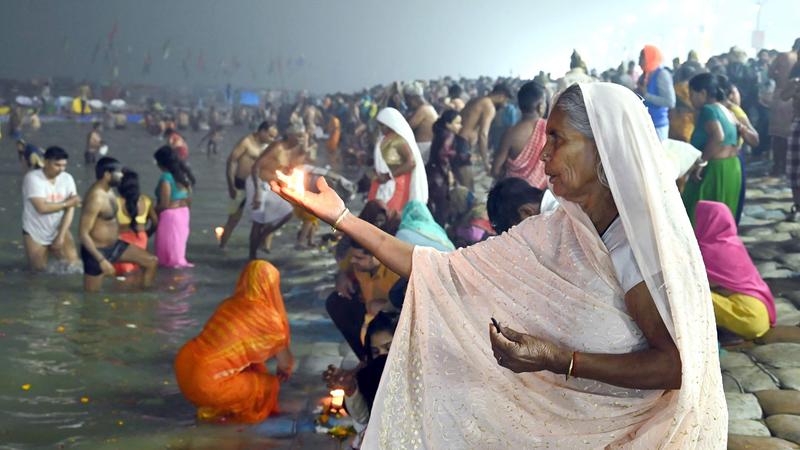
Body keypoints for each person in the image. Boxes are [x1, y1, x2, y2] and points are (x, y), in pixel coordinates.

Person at [272, 82, 725, 447]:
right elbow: (438, 269)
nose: (542, 154)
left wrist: (559, 360)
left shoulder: (635, 247)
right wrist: (341, 217)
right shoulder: (553, 231)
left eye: (558, 139)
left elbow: (676, 367)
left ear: (602, 148)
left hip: (632, 433)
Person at [174, 260, 293, 423]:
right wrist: (284, 370)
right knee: (269, 385)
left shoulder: (229, 304)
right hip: (207, 383)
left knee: (254, 367)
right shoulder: (269, 319)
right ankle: (228, 417)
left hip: (184, 366)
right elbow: (285, 363)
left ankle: (215, 407)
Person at [693, 201, 776, 341]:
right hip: (762, 310)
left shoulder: (707, 250)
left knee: (691, 292)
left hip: (748, 318)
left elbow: (705, 282)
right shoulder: (733, 243)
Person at [79, 157, 158, 292]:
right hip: (97, 252)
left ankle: (141, 297)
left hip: (115, 245)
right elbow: (83, 233)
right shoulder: (96, 197)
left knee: (151, 261)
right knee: (92, 297)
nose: (122, 175)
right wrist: (101, 260)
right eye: (119, 172)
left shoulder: (109, 190)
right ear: (107, 174)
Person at [323, 311, 399, 447]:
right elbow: (364, 418)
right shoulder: (372, 375)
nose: (383, 357)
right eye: (376, 352)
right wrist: (350, 389)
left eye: (389, 348)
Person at [326, 238, 400, 363]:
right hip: (367, 311)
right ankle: (365, 359)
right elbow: (344, 268)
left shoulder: (395, 271)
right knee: (335, 301)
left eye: (359, 258)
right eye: (353, 256)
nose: (353, 260)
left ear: (376, 257)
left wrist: (387, 307)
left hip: (391, 319)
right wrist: (342, 276)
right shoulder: (356, 258)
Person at [682, 73, 741, 223]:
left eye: (691, 94)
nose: (690, 99)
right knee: (722, 215)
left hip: (714, 168)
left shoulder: (708, 110)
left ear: (702, 93)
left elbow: (718, 137)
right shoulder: (725, 109)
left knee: (696, 212)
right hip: (731, 167)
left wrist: (702, 163)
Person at [248, 124, 305, 258]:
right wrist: (257, 191)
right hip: (258, 183)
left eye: (302, 137)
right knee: (258, 221)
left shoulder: (291, 150)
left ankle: (262, 237)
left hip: (271, 186)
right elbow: (256, 167)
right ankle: (252, 257)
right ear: (290, 136)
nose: (301, 139)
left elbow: (289, 169)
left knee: (287, 212)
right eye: (299, 136)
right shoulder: (277, 147)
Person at [21, 146, 81, 271]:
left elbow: (72, 207)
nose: (61, 169)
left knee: (74, 265)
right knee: (38, 271)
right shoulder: (33, 178)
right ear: (46, 162)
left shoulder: (67, 178)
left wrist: (61, 235)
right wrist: (66, 204)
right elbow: (41, 208)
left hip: (58, 227)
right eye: (57, 165)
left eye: (64, 165)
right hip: (35, 231)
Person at [220, 122, 276, 249]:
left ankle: (265, 247)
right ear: (262, 131)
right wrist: (231, 185)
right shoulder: (246, 142)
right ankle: (222, 246)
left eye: (274, 137)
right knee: (233, 219)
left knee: (269, 215)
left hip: (260, 186)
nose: (272, 139)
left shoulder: (269, 146)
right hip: (241, 184)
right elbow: (231, 161)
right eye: (270, 136)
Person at [367, 108, 428, 214]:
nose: (380, 128)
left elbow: (411, 162)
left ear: (389, 124)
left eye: (382, 125)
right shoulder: (383, 139)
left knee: (392, 214)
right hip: (383, 182)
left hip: (396, 184)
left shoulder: (398, 140)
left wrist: (389, 176)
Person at [491, 81, 548, 189]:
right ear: (540, 106)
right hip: (543, 195)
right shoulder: (550, 129)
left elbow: (495, 171)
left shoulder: (510, 134)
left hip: (516, 195)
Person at [719, 76, 760, 224]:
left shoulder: (734, 111)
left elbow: (755, 139)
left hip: (732, 160)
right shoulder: (713, 109)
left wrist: (740, 127)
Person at [154, 146, 195, 268]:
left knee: (166, 255)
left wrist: (151, 211)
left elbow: (164, 204)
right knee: (178, 250)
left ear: (161, 163)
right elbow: (189, 199)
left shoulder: (166, 177)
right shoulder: (183, 176)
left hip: (170, 216)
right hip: (184, 213)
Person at [458, 83, 512, 173]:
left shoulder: (476, 100)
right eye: (506, 100)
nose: (505, 104)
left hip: (456, 140)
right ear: (501, 96)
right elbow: (483, 134)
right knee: (468, 184)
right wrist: (486, 162)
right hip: (462, 144)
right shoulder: (489, 106)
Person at [114, 170, 158, 275]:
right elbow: (155, 222)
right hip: (141, 238)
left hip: (122, 239)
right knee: (137, 269)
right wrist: (147, 234)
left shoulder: (116, 202)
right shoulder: (146, 200)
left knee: (123, 272)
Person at [426, 110, 464, 227]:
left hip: (432, 173)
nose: (460, 126)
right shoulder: (449, 135)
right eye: (457, 123)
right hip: (440, 176)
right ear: (448, 124)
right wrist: (449, 173)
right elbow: (443, 155)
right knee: (441, 209)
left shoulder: (440, 133)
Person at [768, 38, 800, 176]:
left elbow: (770, 72)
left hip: (783, 94)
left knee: (778, 135)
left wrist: (778, 78)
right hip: (794, 97)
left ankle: (778, 166)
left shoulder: (784, 56)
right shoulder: (795, 60)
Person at [637, 45, 676, 141]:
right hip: (646, 124)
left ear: (650, 58)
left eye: (641, 58)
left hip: (658, 126)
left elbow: (670, 102)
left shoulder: (662, 75)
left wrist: (646, 95)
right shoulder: (645, 75)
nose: (638, 62)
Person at [782, 54, 800, 220]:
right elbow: (784, 96)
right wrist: (794, 84)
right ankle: (797, 205)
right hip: (798, 123)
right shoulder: (796, 78)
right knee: (794, 169)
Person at [404, 82, 438, 164]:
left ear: (412, 98)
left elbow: (406, 128)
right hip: (424, 148)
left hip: (423, 150)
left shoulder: (423, 110)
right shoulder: (428, 108)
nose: (406, 103)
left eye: (406, 100)